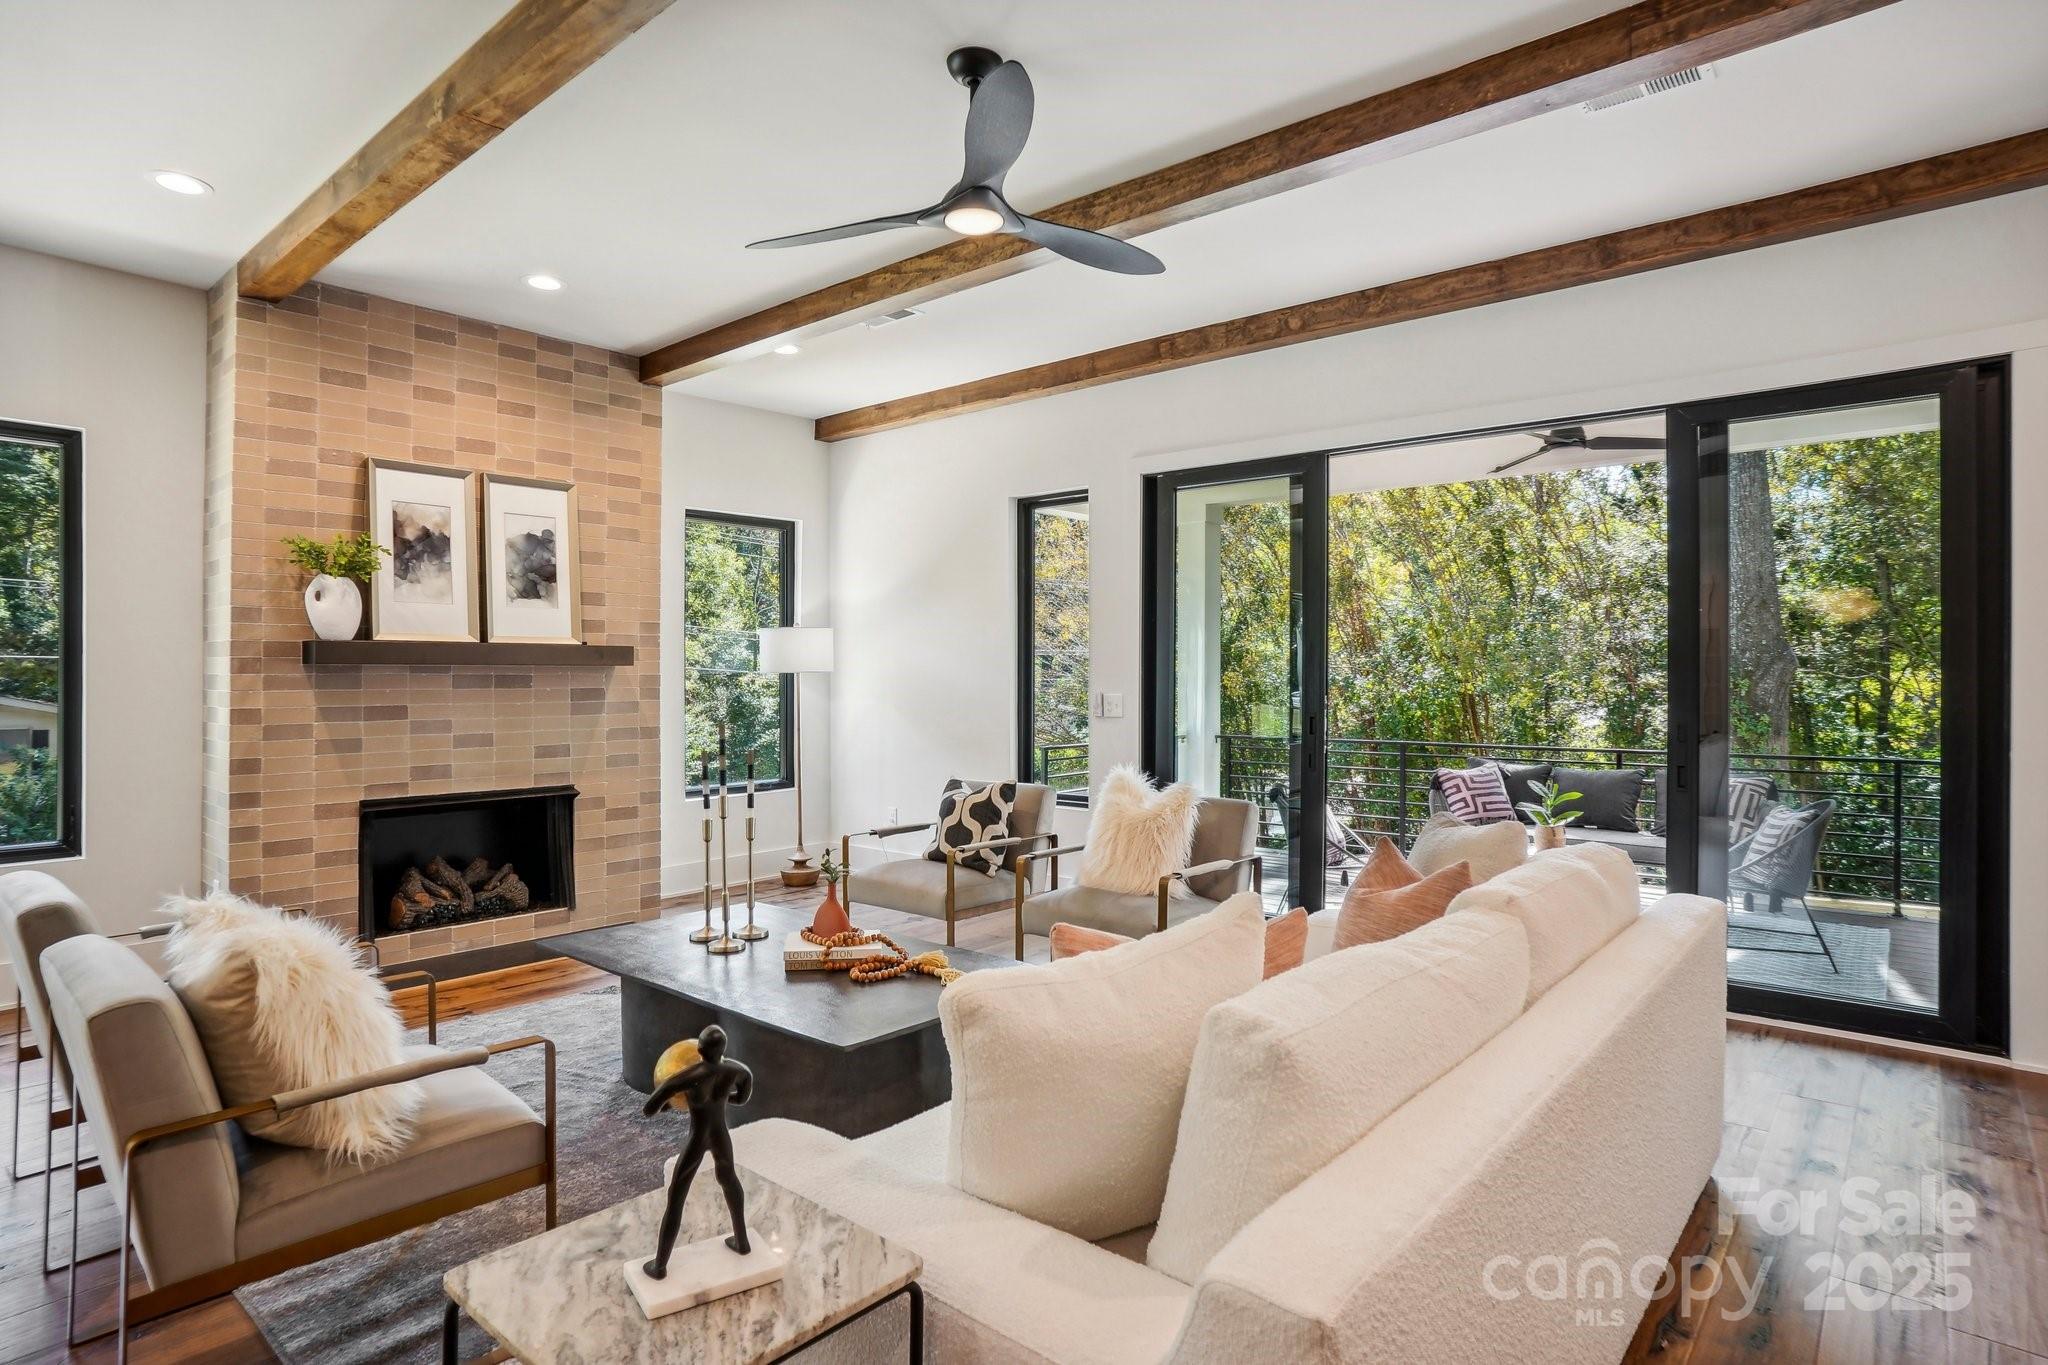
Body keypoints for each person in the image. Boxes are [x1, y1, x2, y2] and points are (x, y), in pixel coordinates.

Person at [640, 1023, 755, 1276]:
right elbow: (742, 1097)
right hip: (720, 1135)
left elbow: (649, 1108)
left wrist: (672, 1102)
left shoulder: (687, 1077)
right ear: (723, 1049)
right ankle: (742, 1241)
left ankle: (659, 1266)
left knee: (677, 1196)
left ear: (699, 1049)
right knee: (729, 1180)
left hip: (698, 1138)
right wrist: (722, 1099)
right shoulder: (738, 1070)